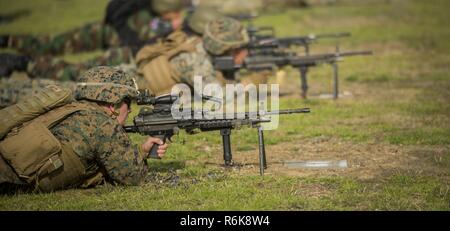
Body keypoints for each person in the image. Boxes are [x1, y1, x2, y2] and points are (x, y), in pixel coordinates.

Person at [0, 66, 168, 193]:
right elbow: (133, 177)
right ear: (113, 105)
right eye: (127, 103)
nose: (130, 110)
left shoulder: (73, 108)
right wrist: (141, 155)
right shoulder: (103, 124)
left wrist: (141, 150)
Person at [0, 0, 184, 57]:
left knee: (57, 43)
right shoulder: (168, 17)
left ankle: (10, 42)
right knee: (59, 48)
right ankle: (15, 52)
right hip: (119, 37)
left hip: (113, 28)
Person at [135, 15, 250, 96]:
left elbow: (221, 79)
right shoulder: (194, 60)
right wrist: (243, 87)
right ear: (221, 48)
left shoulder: (203, 47)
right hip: (135, 85)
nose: (241, 53)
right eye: (236, 50)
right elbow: (215, 94)